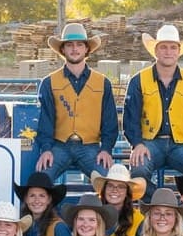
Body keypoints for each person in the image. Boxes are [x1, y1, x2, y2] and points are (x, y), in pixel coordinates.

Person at [122, 24, 183, 182]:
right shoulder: (138, 81)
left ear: (178, 51)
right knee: (139, 170)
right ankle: (149, 207)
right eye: (163, 47)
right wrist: (137, 144)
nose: (168, 52)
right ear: (155, 51)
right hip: (149, 143)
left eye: (172, 47)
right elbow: (131, 119)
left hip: (182, 145)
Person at [33, 22, 119, 183]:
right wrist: (46, 149)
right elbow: (45, 120)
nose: (74, 49)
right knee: (39, 181)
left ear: (87, 49)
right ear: (62, 49)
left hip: (91, 147)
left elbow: (110, 122)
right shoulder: (49, 82)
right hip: (59, 147)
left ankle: (102, 209)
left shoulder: (103, 83)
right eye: (69, 45)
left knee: (111, 183)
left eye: (79, 44)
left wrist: (106, 149)